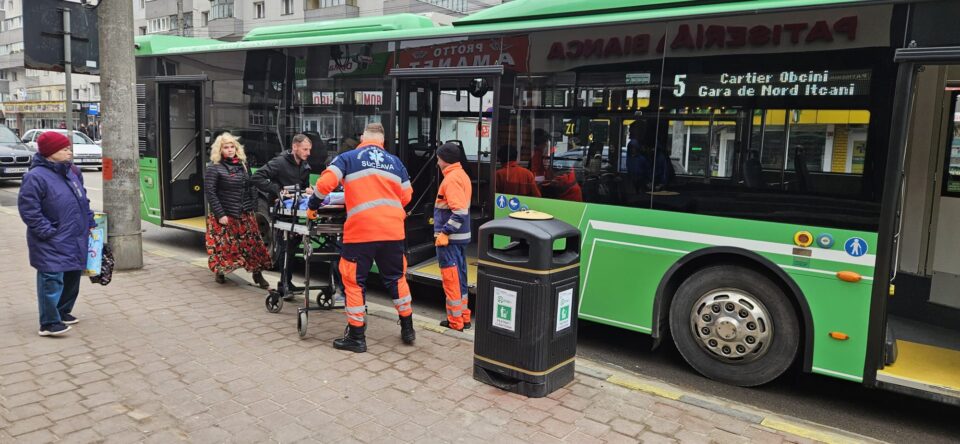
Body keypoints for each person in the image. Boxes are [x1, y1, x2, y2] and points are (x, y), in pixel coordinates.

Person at [308, 123, 415, 353]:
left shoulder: (349, 158)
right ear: (383, 142)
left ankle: (356, 337)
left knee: (355, 281)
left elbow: (325, 183)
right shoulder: (396, 163)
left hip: (361, 232)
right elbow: (407, 196)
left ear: (362, 139)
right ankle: (407, 327)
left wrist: (313, 205)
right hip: (393, 231)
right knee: (397, 278)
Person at [17, 131, 96, 336]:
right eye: (64, 149)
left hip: (75, 235)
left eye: (69, 148)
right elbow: (29, 209)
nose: (69, 152)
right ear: (50, 153)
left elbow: (83, 200)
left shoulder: (73, 172)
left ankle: (62, 311)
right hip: (51, 238)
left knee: (72, 276)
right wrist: (46, 231)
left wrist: (90, 221)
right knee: (51, 278)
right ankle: (49, 323)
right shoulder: (35, 177)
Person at [203, 133, 272, 288]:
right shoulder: (215, 168)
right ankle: (220, 272)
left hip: (245, 212)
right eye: (226, 147)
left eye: (232, 146)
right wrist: (220, 214)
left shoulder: (243, 165)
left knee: (254, 246)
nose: (230, 150)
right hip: (225, 214)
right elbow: (210, 192)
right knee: (224, 247)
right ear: (219, 150)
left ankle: (257, 274)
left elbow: (251, 186)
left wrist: (253, 208)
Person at [251, 134, 314, 294]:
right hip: (281, 211)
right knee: (285, 246)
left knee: (293, 246)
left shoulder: (305, 165)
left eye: (309, 149)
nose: (308, 153)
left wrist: (307, 190)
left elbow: (302, 186)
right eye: (305, 149)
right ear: (295, 147)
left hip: (295, 210)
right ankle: (283, 284)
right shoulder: (279, 163)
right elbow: (257, 177)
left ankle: (287, 282)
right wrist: (276, 189)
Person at [434, 143, 473, 331]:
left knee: (451, 280)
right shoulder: (461, 175)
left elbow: (459, 212)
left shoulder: (451, 180)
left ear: (444, 160)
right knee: (460, 278)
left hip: (450, 240)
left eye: (438, 158)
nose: (437, 162)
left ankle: (455, 322)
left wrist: (444, 233)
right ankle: (464, 317)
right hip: (460, 238)